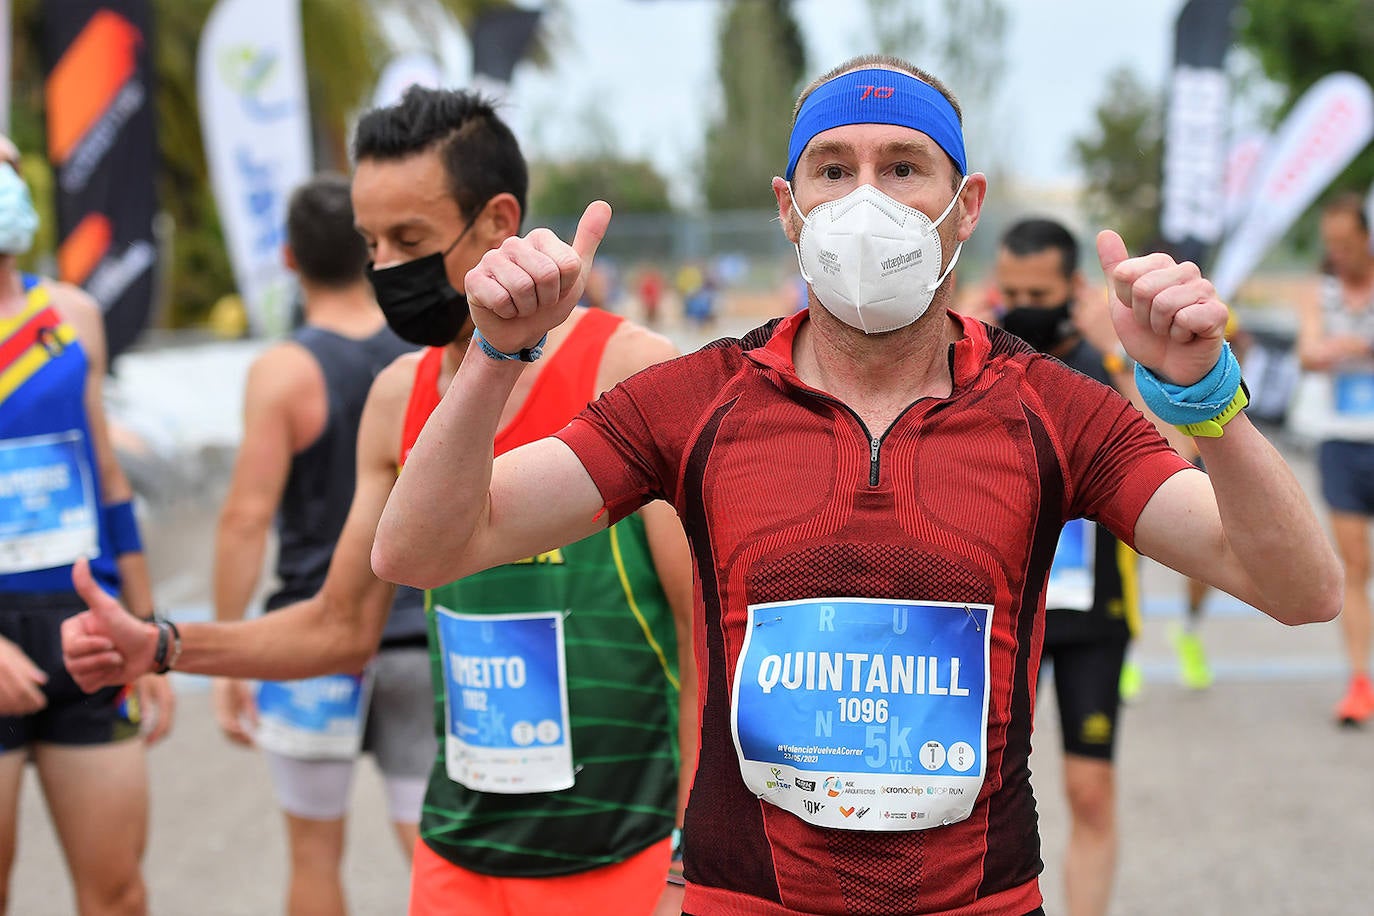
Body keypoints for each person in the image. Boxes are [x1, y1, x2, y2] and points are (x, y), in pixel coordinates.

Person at [366, 55, 1340, 916]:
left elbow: (1300, 590)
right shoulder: (695, 400)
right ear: (790, 206)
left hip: (979, 900)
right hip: (744, 898)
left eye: (904, 167)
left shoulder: (1053, 409)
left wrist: (1210, 402)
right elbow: (423, 548)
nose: (864, 200)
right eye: (834, 169)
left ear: (966, 205)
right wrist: (499, 355)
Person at [61, 87, 696, 916]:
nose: (386, 268)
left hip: (622, 858)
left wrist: (694, 856)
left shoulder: (629, 371)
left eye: (411, 240)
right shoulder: (401, 398)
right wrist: (163, 645)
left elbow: (707, 633)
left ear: (499, 222)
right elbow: (340, 624)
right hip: (456, 855)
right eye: (370, 242)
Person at [210, 173, 429, 916]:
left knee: (312, 856)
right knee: (434, 854)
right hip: (412, 636)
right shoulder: (421, 356)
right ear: (371, 254)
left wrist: (233, 649)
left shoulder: (282, 373)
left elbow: (245, 518)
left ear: (288, 258)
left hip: (308, 641)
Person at [0, 134, 173, 915]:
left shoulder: (70, 314)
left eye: (9, 170)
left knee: (119, 892)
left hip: (86, 622)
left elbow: (109, 480)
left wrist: (143, 624)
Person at [994, 217, 1147, 916]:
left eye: (1039, 290)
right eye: (1011, 289)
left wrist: (1127, 359)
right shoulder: (977, 367)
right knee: (978, 797)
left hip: (1092, 612)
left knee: (1089, 790)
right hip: (1001, 614)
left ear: (1074, 288)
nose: (1023, 302)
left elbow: (1179, 463)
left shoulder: (1106, 369)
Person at [1294, 191, 1374, 725]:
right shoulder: (1318, 290)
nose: (1338, 253)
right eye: (1332, 245)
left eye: (1347, 244)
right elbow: (1307, 350)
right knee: (1357, 568)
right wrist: (1346, 348)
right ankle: (1361, 683)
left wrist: (1344, 349)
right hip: (1342, 443)